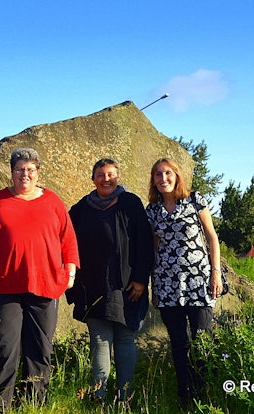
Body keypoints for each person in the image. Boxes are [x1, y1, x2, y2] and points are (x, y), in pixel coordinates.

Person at [0, 147, 80, 411]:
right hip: (2, 286)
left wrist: (70, 272)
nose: (24, 174)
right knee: (4, 347)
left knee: (40, 348)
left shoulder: (53, 201)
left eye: (30, 169)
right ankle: (1, 404)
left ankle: (34, 403)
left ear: (38, 172)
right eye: (19, 169)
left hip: (44, 285)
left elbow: (69, 240)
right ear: (11, 172)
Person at [66, 158, 153, 404]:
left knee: (125, 338)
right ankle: (99, 396)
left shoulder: (131, 203)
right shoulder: (82, 207)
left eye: (111, 174)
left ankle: (125, 396)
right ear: (93, 178)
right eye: (101, 175)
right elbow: (65, 235)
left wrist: (140, 279)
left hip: (127, 284)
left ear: (118, 176)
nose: (106, 179)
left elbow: (145, 244)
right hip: (94, 284)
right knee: (100, 339)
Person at [145, 158, 224, 406]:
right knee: (179, 344)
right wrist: (154, 286)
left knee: (202, 339)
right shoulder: (152, 211)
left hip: (198, 281)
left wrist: (216, 272)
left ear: (177, 176)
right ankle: (185, 397)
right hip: (167, 284)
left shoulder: (194, 200)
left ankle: (206, 395)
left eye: (168, 173)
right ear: (153, 180)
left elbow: (211, 236)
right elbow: (154, 250)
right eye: (158, 174)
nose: (163, 178)